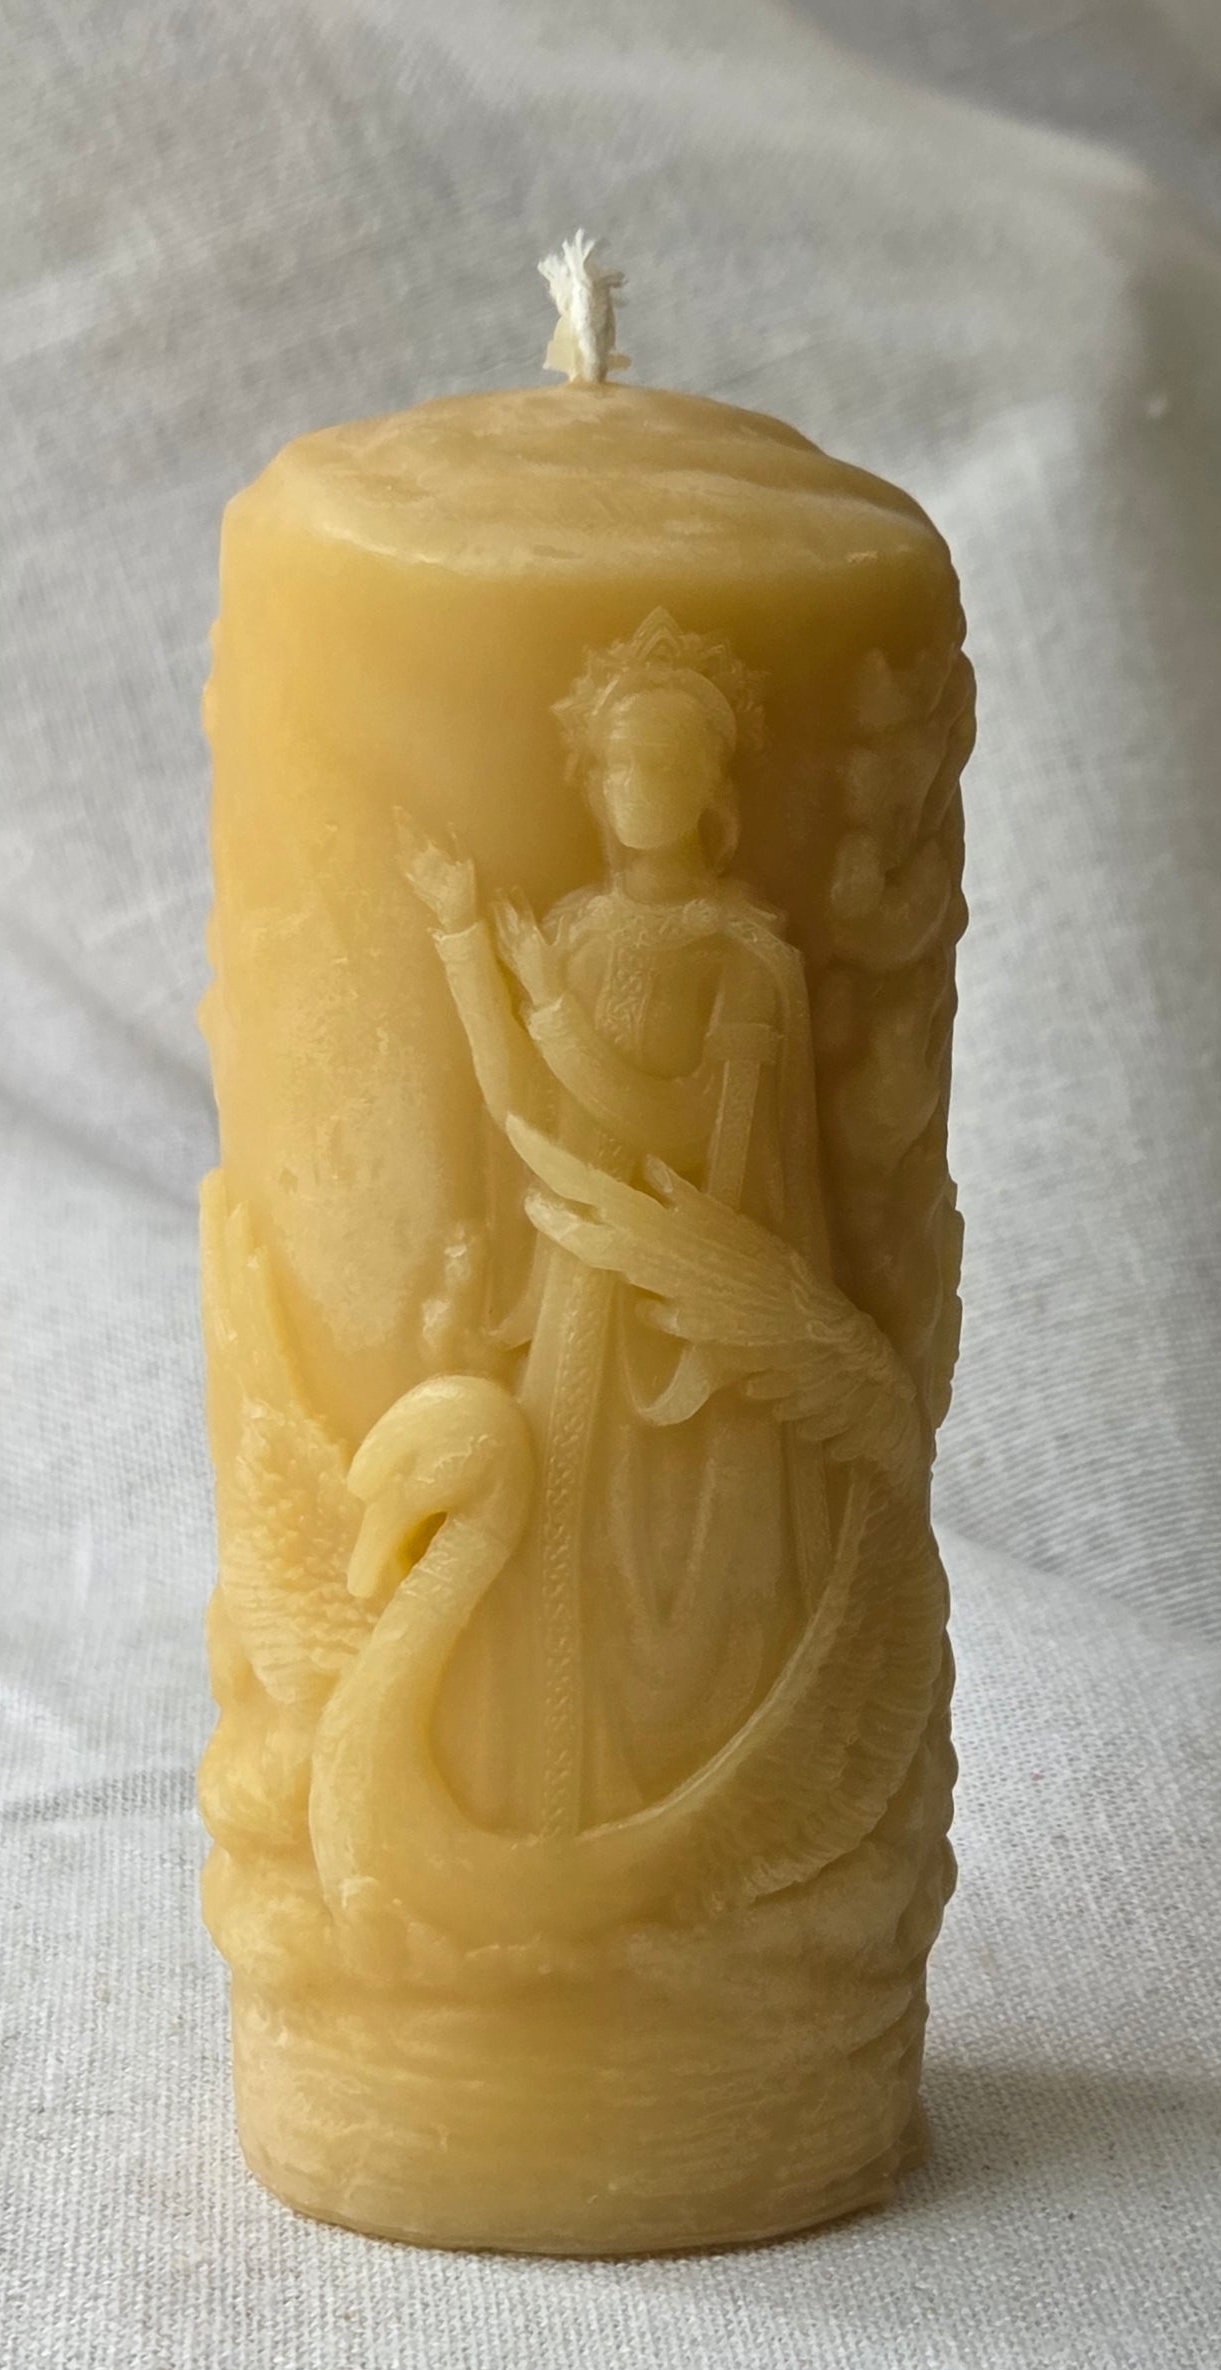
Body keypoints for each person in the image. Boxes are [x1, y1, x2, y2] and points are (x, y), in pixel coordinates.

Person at [403, 610, 839, 1836]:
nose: (644, 783)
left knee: (682, 1586)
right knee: (558, 1556)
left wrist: (548, 1004)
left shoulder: (741, 959)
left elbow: (696, 1136)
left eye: (668, 760)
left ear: (712, 785)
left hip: (675, 1316)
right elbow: (516, 1107)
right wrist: (459, 938)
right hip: (572, 1301)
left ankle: (715, 1848)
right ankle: (556, 1839)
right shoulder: (579, 933)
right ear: (592, 782)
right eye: (622, 762)